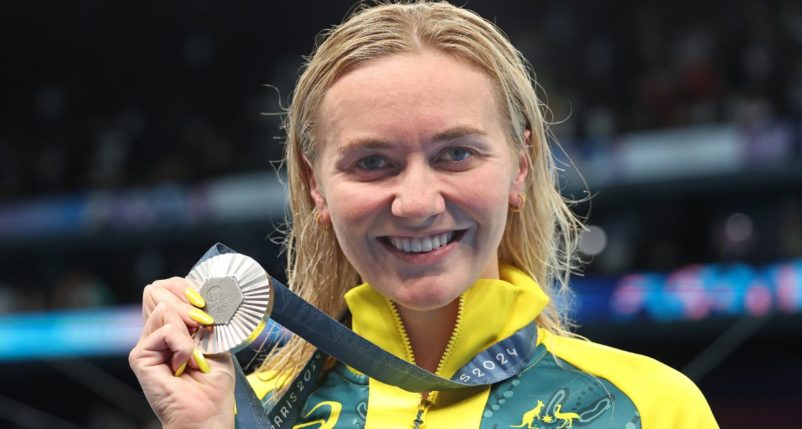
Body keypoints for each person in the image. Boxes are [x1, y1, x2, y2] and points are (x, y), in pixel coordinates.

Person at [129, 2, 719, 428]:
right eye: (372, 162)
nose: (416, 202)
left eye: (456, 154)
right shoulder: (245, 411)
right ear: (316, 186)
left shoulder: (649, 408)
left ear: (520, 165)